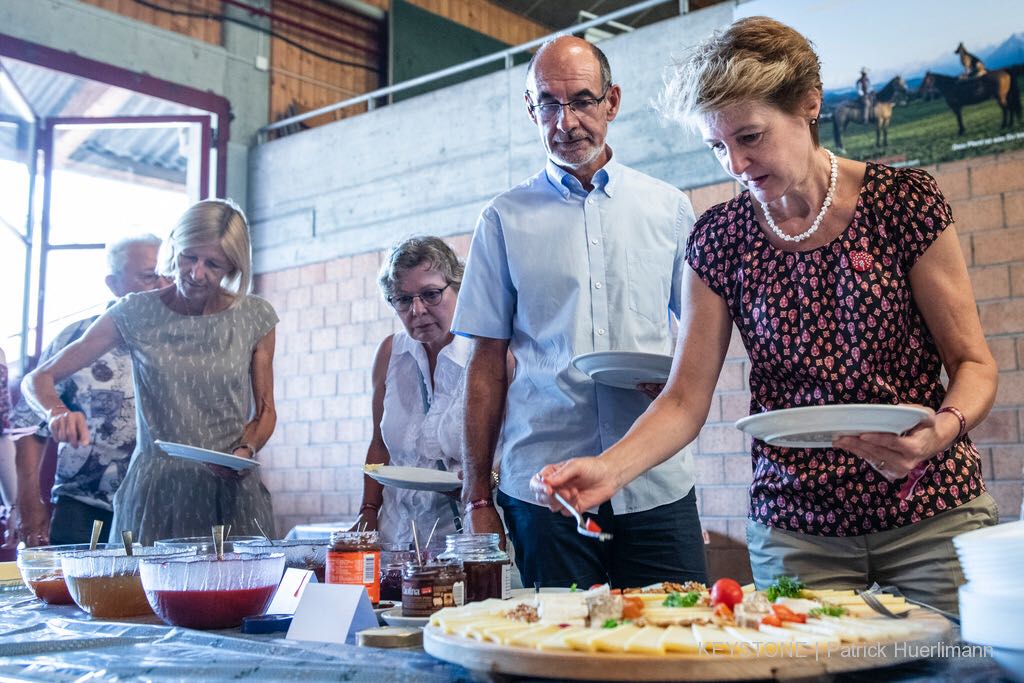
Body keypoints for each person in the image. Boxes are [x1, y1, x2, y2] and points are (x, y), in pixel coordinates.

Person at [531, 17, 998, 614]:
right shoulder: (719, 239)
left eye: (750, 136)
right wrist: (608, 469)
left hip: (931, 510)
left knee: (960, 667)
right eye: (717, 146)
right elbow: (683, 400)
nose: (736, 164)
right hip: (796, 527)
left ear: (809, 105)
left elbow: (973, 362)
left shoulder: (903, 203)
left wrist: (945, 428)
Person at [453, 35, 707, 589]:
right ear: (530, 108)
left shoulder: (669, 208)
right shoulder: (503, 218)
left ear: (612, 102)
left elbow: (700, 332)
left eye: (582, 101)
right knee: (559, 655)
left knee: (682, 650)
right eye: (548, 103)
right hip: (545, 489)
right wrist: (477, 495)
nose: (565, 122)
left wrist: (667, 378)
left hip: (654, 481)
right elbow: (485, 364)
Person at [23, 199, 279, 544]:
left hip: (228, 492)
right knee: (135, 597)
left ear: (233, 266)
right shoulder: (136, 312)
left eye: (213, 263)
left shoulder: (255, 317)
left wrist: (246, 449)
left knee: (238, 596)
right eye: (189, 256)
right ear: (174, 248)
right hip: (154, 493)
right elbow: (37, 378)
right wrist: (56, 412)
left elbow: (265, 412)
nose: (196, 272)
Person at [9, 235, 165, 546]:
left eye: (166, 273)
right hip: (81, 510)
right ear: (114, 283)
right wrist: (28, 503)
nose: (160, 284)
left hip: (159, 508)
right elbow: (29, 426)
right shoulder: (76, 338)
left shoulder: (181, 341)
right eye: (148, 276)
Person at [355, 236, 470, 547]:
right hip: (396, 534)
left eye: (431, 294)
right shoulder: (390, 353)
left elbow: (509, 451)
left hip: (460, 537)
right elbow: (379, 444)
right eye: (403, 300)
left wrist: (486, 479)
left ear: (457, 287)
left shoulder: (485, 355)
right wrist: (368, 512)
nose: (417, 310)